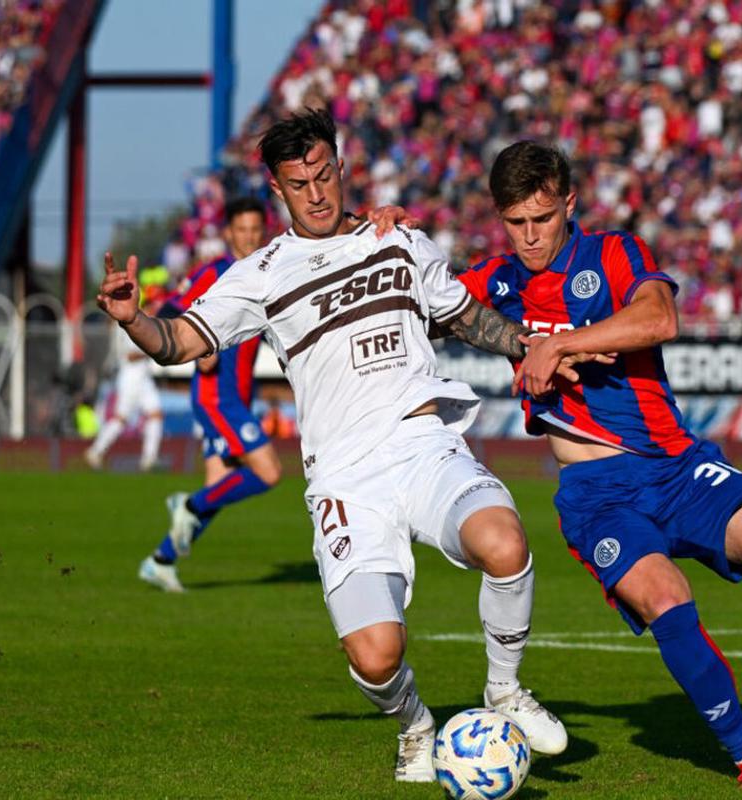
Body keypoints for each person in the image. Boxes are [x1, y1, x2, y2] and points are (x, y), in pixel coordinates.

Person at [97, 108, 567, 782]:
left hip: (421, 444)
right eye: (299, 184)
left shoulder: (398, 240)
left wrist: (529, 346)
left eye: (324, 175)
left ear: (342, 168)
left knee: (505, 542)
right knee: (375, 657)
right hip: (345, 479)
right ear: (277, 190)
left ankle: (504, 689)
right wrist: (134, 318)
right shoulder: (262, 273)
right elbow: (179, 342)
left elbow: (465, 317)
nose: (316, 194)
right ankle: (415, 725)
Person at [457, 141, 742, 790]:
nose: (530, 236)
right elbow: (420, 299)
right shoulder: (495, 281)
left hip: (677, 465)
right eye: (516, 222)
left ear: (570, 204)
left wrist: (559, 345)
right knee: (668, 598)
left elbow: (659, 317)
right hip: (597, 495)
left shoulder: (612, 254)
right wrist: (386, 228)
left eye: (543, 218)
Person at [139, 198, 284, 593]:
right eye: (242, 230)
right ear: (228, 233)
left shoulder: (267, 275)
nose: (249, 238)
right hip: (217, 396)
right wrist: (200, 349)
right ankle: (187, 504)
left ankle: (160, 561)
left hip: (238, 396)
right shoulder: (215, 272)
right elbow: (170, 312)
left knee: (220, 485)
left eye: (256, 230)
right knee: (269, 472)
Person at [84, 320, 164, 472]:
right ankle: (96, 451)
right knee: (121, 418)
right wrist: (154, 349)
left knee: (156, 414)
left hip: (142, 376)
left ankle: (149, 459)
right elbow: (130, 355)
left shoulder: (130, 323)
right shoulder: (127, 325)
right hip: (131, 376)